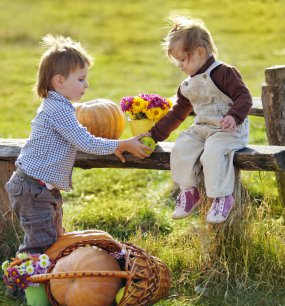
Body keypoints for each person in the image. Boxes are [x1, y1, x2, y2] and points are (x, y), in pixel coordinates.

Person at [5, 34, 150, 259]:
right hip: (32, 188)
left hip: (41, 188)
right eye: (81, 79)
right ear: (59, 81)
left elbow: (77, 138)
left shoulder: (59, 106)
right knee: (39, 245)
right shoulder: (58, 110)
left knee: (53, 240)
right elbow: (85, 141)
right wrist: (120, 144)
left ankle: (47, 284)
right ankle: (21, 287)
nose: (86, 85)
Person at [149, 16, 252, 223]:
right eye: (176, 60)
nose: (179, 65)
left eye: (183, 59)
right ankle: (189, 192)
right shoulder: (187, 86)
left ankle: (222, 197)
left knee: (212, 153)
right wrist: (154, 135)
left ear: (200, 52)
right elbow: (178, 113)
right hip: (203, 129)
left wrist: (234, 116)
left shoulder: (224, 73)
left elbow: (244, 97)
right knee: (182, 146)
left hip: (228, 130)